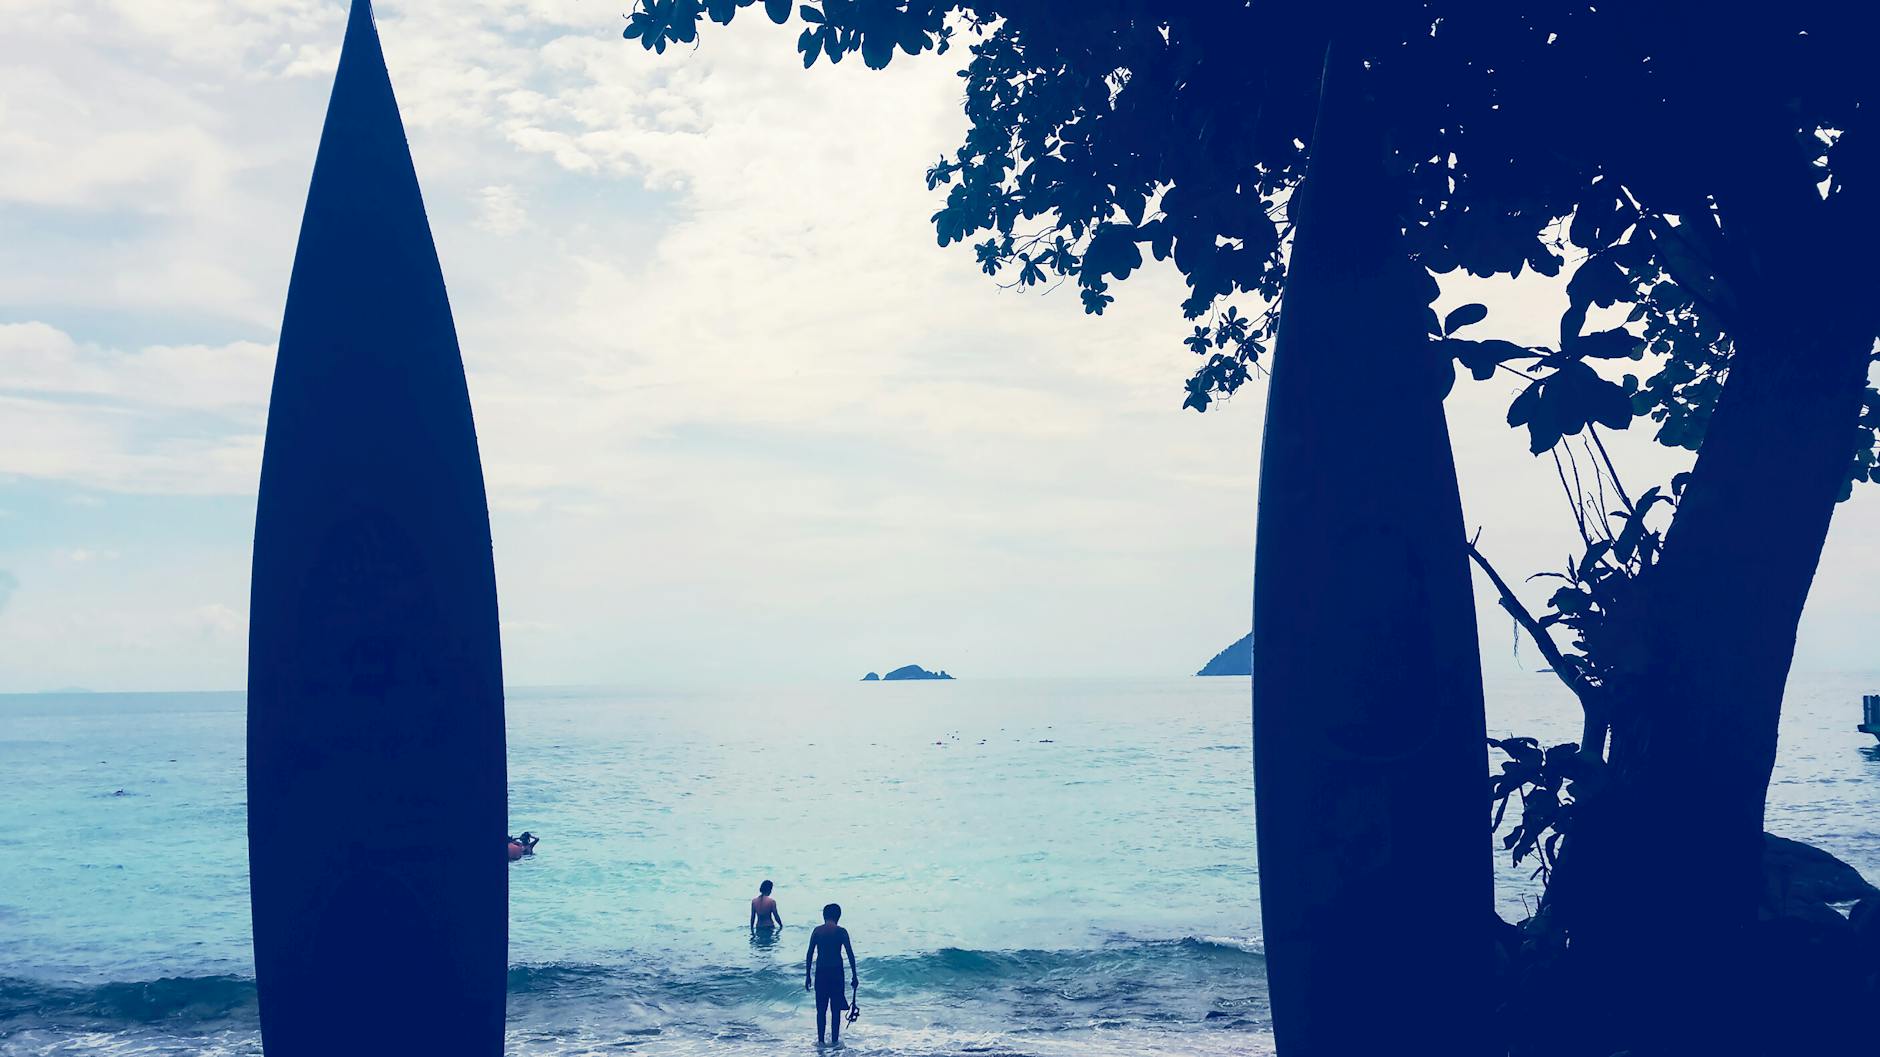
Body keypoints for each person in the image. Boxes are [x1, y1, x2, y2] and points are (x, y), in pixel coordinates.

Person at [805, 903, 858, 1045]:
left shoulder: (817, 931)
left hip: (821, 973)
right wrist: (854, 975)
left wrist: (807, 975)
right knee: (835, 1010)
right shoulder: (841, 932)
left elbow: (809, 954)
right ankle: (834, 1042)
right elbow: (850, 954)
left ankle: (821, 1042)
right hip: (836, 974)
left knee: (821, 1010)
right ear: (838, 916)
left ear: (824, 915)